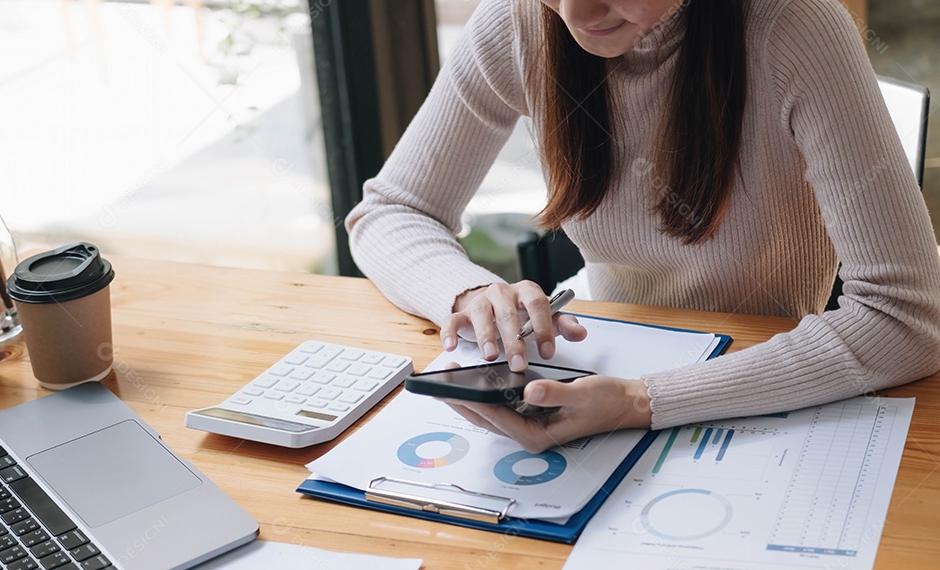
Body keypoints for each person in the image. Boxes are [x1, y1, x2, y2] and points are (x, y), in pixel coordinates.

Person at [344, 0, 940, 453]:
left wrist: (640, 400)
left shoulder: (796, 27)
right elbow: (393, 211)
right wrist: (467, 289)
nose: (577, 13)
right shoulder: (520, 20)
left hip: (762, 378)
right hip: (602, 349)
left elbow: (909, 318)